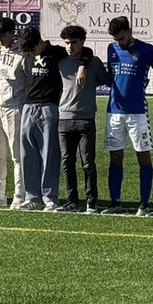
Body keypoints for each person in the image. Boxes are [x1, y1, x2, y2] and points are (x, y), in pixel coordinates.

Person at [103, 15, 153, 216]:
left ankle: (144, 204)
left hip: (138, 113)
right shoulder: (111, 49)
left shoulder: (146, 50)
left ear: (129, 31)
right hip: (114, 112)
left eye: (121, 38)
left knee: (143, 156)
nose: (119, 43)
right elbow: (111, 77)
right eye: (116, 39)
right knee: (115, 157)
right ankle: (115, 202)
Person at [58, 24, 111, 213]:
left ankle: (91, 202)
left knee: (88, 163)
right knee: (67, 163)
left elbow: (107, 80)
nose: (69, 46)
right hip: (63, 119)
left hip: (85, 119)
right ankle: (72, 201)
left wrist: (85, 68)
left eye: (73, 42)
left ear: (82, 42)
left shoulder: (93, 62)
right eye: (66, 43)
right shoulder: (60, 62)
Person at [18, 27, 66, 210]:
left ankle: (49, 197)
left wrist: (82, 68)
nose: (30, 54)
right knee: (27, 154)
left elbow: (84, 52)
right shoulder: (27, 52)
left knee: (49, 154)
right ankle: (32, 197)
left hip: (48, 106)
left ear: (40, 42)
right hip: (27, 106)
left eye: (33, 50)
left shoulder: (57, 53)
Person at [0, 17, 29, 209]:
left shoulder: (23, 52)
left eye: (2, 35)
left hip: (14, 107)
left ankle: (19, 194)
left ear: (12, 33)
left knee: (17, 155)